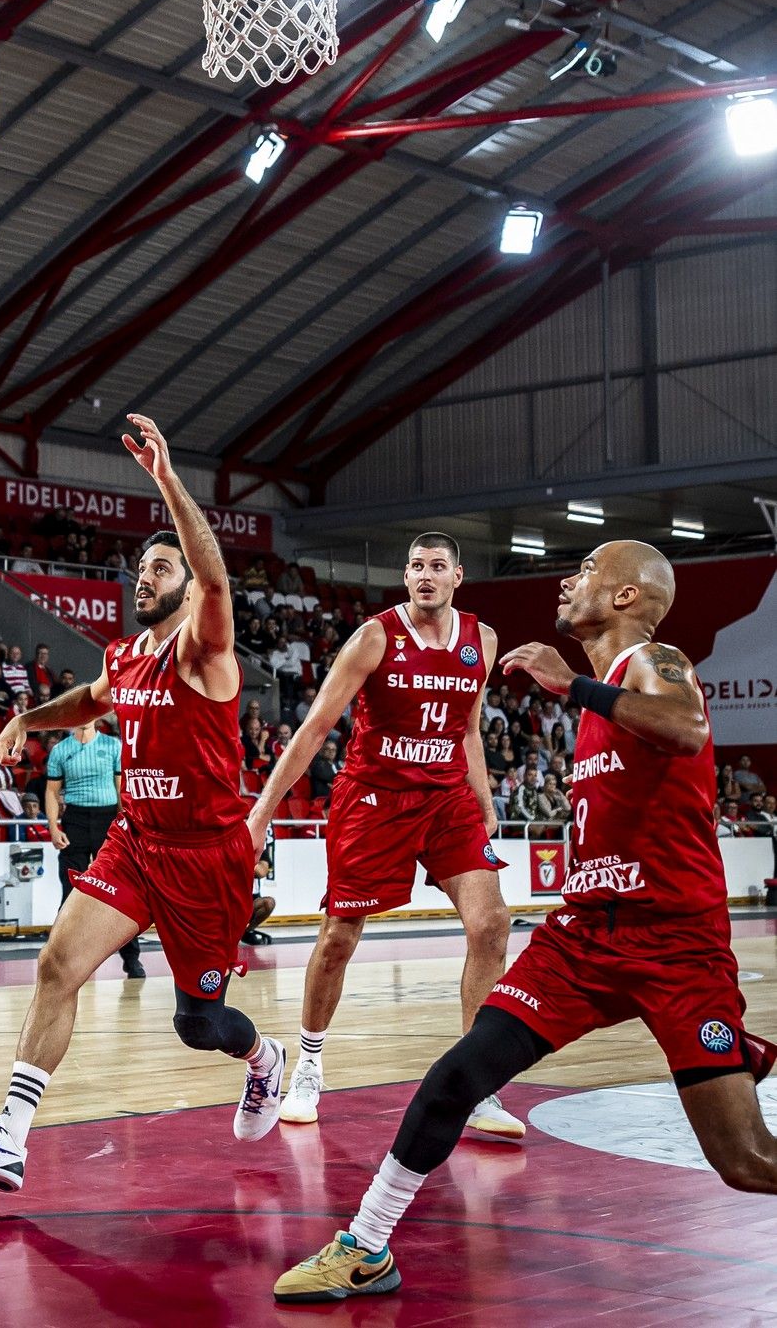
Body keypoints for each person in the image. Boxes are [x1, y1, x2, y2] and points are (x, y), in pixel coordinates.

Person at [272, 540, 777, 1305]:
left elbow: (686, 729)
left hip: (677, 944)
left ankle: (728, 1047)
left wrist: (568, 683)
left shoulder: (654, 660)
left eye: (587, 570)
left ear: (624, 598)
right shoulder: (594, 692)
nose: (568, 579)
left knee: (744, 1162)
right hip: (583, 940)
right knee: (454, 1076)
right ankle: (365, 1246)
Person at [0, 416, 283, 1195]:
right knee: (56, 963)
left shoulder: (204, 648)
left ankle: (264, 1059)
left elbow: (216, 580)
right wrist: (26, 719)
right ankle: (10, 1133)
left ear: (184, 584)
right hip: (136, 842)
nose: (145, 575)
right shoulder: (126, 655)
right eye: (140, 566)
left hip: (206, 856)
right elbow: (88, 700)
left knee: (197, 1025)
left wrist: (167, 478)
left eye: (159, 566)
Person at [250, 533, 520, 1140]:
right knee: (340, 936)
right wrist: (264, 809)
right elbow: (317, 724)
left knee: (491, 924)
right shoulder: (374, 636)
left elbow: (470, 729)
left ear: (458, 576)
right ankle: (310, 1065)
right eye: (416, 566)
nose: (425, 576)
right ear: (406, 576)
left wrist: (483, 799)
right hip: (374, 797)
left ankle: (478, 1084)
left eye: (436, 567)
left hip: (446, 797)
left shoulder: (482, 639)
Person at [44, 720, 143, 979]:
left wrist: (127, 823)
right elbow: (52, 792)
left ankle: (132, 960)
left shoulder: (113, 746)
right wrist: (54, 828)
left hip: (107, 818)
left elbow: (121, 789)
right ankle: (60, 956)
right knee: (69, 888)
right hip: (75, 819)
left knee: (122, 888)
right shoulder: (60, 750)